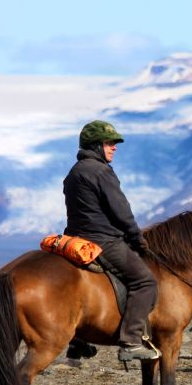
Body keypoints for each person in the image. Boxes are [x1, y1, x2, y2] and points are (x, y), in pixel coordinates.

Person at [63, 120, 161, 361]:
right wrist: (137, 239)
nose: (114, 147)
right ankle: (130, 340)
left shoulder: (74, 172)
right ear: (96, 146)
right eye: (109, 143)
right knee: (145, 281)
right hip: (102, 242)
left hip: (73, 239)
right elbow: (121, 211)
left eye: (114, 143)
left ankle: (77, 341)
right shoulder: (101, 171)